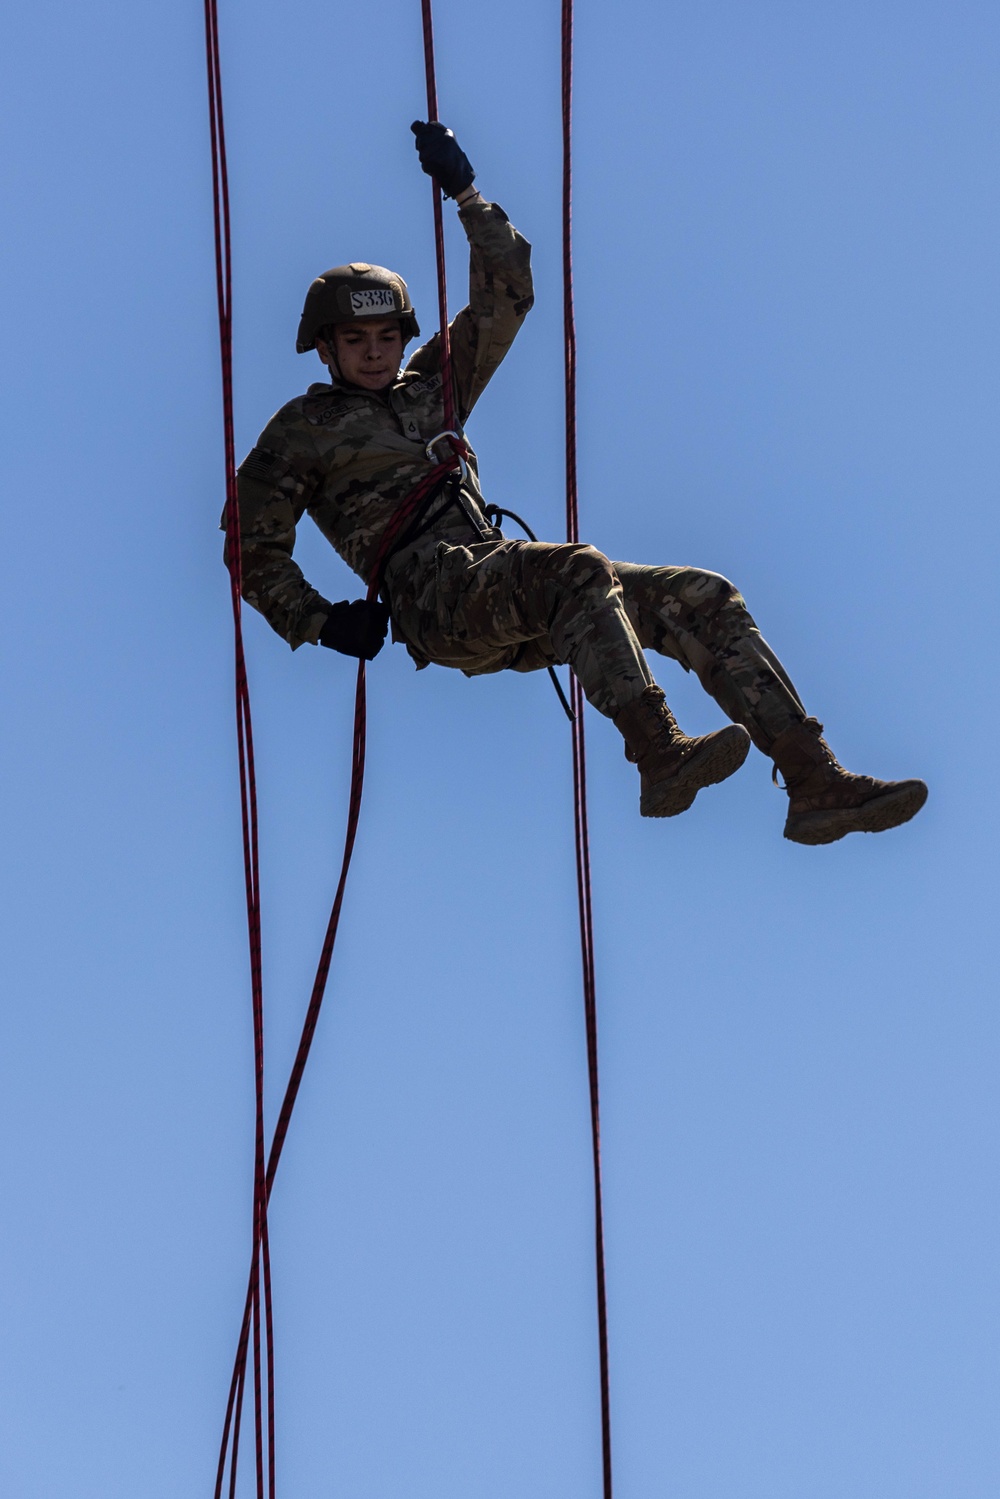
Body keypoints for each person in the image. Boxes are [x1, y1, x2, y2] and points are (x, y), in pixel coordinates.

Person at [228, 121, 927, 846]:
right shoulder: (301, 429)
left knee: (701, 594)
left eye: (386, 339)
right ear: (325, 347)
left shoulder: (431, 387)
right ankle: (659, 752)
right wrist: (320, 622)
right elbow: (250, 547)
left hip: (502, 586)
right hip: (433, 597)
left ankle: (815, 778)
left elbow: (507, 296)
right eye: (355, 342)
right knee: (579, 569)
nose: (375, 354)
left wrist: (468, 195)